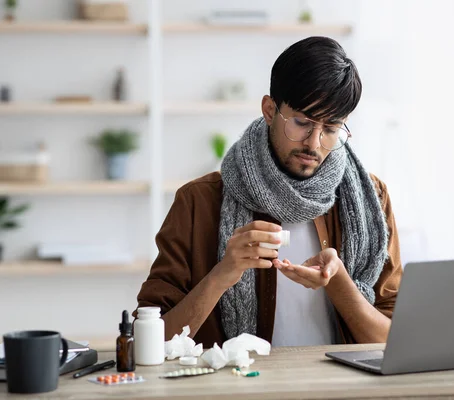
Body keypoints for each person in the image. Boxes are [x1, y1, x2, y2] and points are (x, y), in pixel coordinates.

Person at [136, 36, 403, 347]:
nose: (314, 144)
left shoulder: (372, 198)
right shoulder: (198, 202)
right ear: (269, 109)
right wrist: (223, 274)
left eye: (330, 129)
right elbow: (150, 343)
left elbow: (394, 342)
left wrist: (340, 284)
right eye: (302, 123)